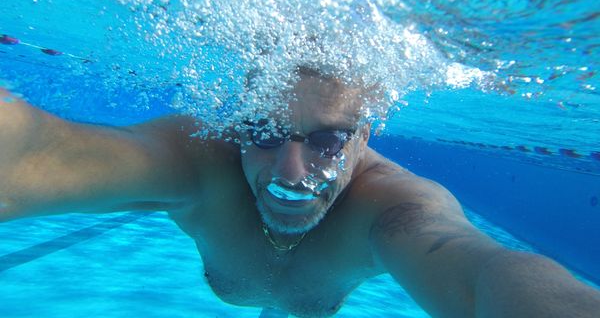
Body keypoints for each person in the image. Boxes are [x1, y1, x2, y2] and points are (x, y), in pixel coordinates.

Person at [1, 68, 599, 318]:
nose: (291, 173)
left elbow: (479, 272)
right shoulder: (198, 161)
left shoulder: (392, 205)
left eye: (328, 141)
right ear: (236, 125)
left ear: (365, 136)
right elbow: (35, 157)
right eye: (262, 132)